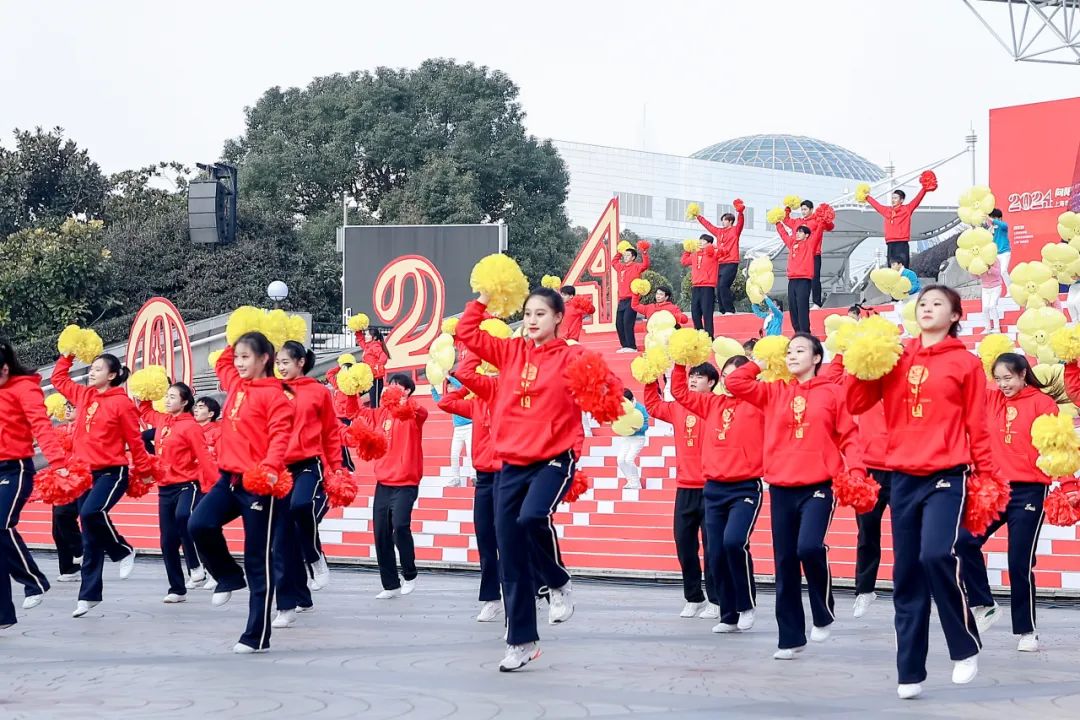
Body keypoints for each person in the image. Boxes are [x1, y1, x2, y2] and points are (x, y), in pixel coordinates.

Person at [456, 286, 622, 671]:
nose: (532, 320)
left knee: (532, 517)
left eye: (541, 314)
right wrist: (483, 299)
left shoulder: (572, 355)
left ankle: (558, 581)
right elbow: (468, 334)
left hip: (554, 457)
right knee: (510, 554)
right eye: (528, 313)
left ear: (558, 317)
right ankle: (521, 642)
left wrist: (608, 395)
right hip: (511, 463)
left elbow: (606, 384)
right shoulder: (510, 352)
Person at [846, 285, 997, 699]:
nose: (927, 308)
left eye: (937, 304)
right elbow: (856, 404)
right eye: (923, 303)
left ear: (955, 315)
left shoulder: (965, 362)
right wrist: (861, 362)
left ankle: (964, 645)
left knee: (935, 555)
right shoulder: (895, 356)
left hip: (947, 475)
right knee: (907, 572)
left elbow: (979, 426)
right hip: (902, 476)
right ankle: (909, 671)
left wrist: (987, 477)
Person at [726, 334, 865, 660]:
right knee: (785, 562)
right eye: (789, 351)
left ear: (817, 358)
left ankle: (823, 611)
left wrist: (856, 471)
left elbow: (849, 435)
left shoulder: (832, 392)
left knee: (809, 547)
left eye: (800, 351)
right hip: (781, 487)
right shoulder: (773, 391)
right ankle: (790, 638)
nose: (792, 356)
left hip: (819, 485)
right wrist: (760, 361)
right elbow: (734, 382)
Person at [188, 334, 295, 654]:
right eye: (238, 356)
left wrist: (271, 467)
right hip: (229, 479)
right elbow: (222, 362)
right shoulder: (236, 384)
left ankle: (256, 635)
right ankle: (228, 575)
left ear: (264, 359)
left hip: (260, 483)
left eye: (246, 357)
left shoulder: (276, 396)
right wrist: (238, 334)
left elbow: (280, 435)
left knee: (257, 559)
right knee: (198, 524)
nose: (238, 362)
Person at [956, 353, 1056, 653]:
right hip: (995, 489)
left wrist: (1066, 484)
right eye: (998, 379)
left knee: (1019, 562)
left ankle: (1027, 631)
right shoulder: (991, 399)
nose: (1003, 384)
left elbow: (1057, 448)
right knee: (963, 541)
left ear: (1023, 374)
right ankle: (984, 603)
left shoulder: (1043, 404)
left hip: (1029, 491)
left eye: (1008, 378)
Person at [51, 351, 155, 618]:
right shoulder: (84, 395)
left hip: (112, 472)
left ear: (112, 375)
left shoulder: (122, 403)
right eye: (92, 368)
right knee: (90, 534)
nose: (91, 372)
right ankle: (88, 595)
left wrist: (144, 470)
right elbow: (58, 379)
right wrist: (68, 355)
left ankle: (123, 550)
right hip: (83, 474)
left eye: (98, 369)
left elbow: (135, 441)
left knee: (91, 513)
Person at [668, 359, 767, 629]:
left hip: (744, 487)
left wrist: (755, 366)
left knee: (734, 542)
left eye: (736, 376)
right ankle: (728, 615)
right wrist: (681, 362)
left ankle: (746, 605)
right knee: (717, 553)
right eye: (726, 376)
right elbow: (679, 392)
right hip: (713, 488)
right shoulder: (711, 404)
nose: (730, 381)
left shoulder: (759, 403)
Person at [271, 341, 343, 629]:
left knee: (301, 506)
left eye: (285, 362)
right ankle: (289, 604)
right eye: (278, 362)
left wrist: (336, 468)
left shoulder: (318, 391)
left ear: (300, 362)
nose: (280, 367)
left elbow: (331, 432)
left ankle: (315, 557)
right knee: (281, 541)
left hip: (308, 464)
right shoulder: (273, 391)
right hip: (279, 469)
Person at [1, 340, 69, 618]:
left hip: (14, 469)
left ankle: (34, 581)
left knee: (1, 525)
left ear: (5, 369)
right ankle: (3, 614)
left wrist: (58, 463)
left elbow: (41, 426)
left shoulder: (24, 388)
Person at [136, 382, 217, 604]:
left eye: (172, 397)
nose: (167, 400)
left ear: (184, 402)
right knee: (167, 541)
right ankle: (177, 589)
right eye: (166, 396)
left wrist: (216, 485)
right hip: (165, 487)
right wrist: (146, 390)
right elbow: (145, 411)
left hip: (187, 484)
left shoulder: (191, 426)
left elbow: (204, 457)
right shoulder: (163, 420)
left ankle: (197, 566)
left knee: (184, 517)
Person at [352, 373, 428, 599]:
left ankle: (410, 574)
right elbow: (357, 413)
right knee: (381, 533)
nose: (391, 388)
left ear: (407, 391)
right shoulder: (381, 413)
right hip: (384, 482)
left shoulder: (413, 413)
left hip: (406, 482)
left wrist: (404, 402)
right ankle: (390, 584)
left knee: (400, 526)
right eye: (390, 384)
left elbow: (421, 412)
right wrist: (351, 391)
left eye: (397, 385)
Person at [438, 357, 502, 623]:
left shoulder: (510, 401)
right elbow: (445, 403)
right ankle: (491, 599)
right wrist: (468, 387)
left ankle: (530, 587)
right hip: (484, 478)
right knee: (485, 538)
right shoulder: (477, 405)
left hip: (508, 476)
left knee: (510, 538)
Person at [51, 402, 83, 582]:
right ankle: (69, 569)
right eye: (67, 407)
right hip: (59, 479)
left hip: (77, 479)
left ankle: (81, 550)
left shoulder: (85, 430)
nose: (68, 410)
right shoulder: (60, 429)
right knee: (57, 528)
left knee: (64, 515)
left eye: (72, 407)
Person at [695, 203, 745, 315]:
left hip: (731, 262)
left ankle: (729, 309)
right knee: (718, 287)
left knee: (723, 285)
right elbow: (708, 225)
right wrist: (698, 216)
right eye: (722, 220)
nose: (723, 222)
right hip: (719, 262)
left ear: (730, 221)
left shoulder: (735, 230)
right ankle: (723, 310)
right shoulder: (719, 232)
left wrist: (740, 212)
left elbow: (741, 222)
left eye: (724, 220)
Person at [865, 184, 932, 268]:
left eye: (895, 198)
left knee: (903, 268)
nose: (893, 200)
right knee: (891, 268)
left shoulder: (907, 209)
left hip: (902, 243)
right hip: (890, 244)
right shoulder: (887, 211)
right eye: (892, 198)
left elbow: (917, 199)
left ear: (901, 200)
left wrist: (924, 188)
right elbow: (876, 205)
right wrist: (866, 197)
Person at [784, 201, 834, 308]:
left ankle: (817, 303)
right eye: (802, 209)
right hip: (800, 257)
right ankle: (803, 304)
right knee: (803, 282)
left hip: (814, 254)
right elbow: (786, 220)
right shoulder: (797, 222)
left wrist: (824, 217)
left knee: (815, 278)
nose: (803, 212)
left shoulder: (816, 220)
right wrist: (787, 209)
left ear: (811, 209)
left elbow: (830, 226)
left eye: (805, 209)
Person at [431, 377, 473, 487]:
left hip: (469, 427)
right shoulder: (448, 401)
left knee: (470, 453)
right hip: (458, 430)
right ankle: (456, 479)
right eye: (448, 386)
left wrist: (448, 376)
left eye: (451, 386)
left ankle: (473, 476)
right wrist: (432, 388)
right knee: (454, 454)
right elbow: (438, 401)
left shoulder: (463, 395)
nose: (450, 388)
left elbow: (460, 386)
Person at [774, 223, 815, 333]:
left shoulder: (810, 244)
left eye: (800, 232)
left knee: (802, 306)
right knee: (793, 306)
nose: (797, 233)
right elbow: (784, 235)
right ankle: (797, 331)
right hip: (792, 280)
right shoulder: (792, 244)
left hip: (804, 280)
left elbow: (817, 229)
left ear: (807, 235)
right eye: (797, 231)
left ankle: (805, 332)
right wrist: (778, 223)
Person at [612, 243, 650, 352]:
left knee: (627, 322)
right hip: (622, 300)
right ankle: (624, 346)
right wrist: (620, 252)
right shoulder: (621, 267)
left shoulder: (636, 266)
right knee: (619, 324)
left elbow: (645, 265)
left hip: (632, 299)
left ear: (633, 257)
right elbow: (614, 262)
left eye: (628, 255)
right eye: (625, 255)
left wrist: (644, 252)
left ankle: (631, 346)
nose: (625, 257)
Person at [681, 234, 719, 335]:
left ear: (709, 243)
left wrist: (713, 248)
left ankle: (709, 337)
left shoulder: (713, 254)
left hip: (708, 287)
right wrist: (687, 250)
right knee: (695, 313)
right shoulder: (695, 255)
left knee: (707, 313)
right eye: (700, 240)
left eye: (703, 241)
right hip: (696, 286)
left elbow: (725, 252)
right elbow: (684, 261)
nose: (701, 242)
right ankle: (699, 334)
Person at [616, 389, 650, 490]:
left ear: (631, 400)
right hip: (626, 438)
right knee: (620, 460)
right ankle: (630, 481)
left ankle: (636, 483)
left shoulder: (640, 408)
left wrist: (639, 429)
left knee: (629, 460)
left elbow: (646, 426)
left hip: (638, 438)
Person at [359, 328, 390, 407]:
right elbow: (360, 340)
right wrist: (358, 331)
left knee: (374, 402)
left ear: (374, 337)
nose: (365, 336)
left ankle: (376, 414)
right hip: (370, 377)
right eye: (365, 334)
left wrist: (377, 366)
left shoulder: (375, 346)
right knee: (372, 401)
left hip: (376, 378)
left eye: (368, 335)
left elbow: (383, 357)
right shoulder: (368, 346)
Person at [987, 209, 1012, 289]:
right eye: (991, 218)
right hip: (996, 254)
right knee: (996, 273)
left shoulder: (1003, 226)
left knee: (1003, 271)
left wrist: (991, 219)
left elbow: (1004, 225)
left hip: (1005, 252)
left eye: (994, 218)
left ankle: (1011, 289)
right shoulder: (990, 229)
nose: (992, 220)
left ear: (1000, 218)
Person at [980, 259, 1004, 334]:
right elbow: (976, 277)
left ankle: (997, 328)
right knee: (985, 308)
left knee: (992, 306)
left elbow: (998, 273)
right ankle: (987, 328)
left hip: (996, 287)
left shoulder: (995, 260)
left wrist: (990, 267)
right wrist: (971, 271)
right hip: (985, 288)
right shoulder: (980, 261)